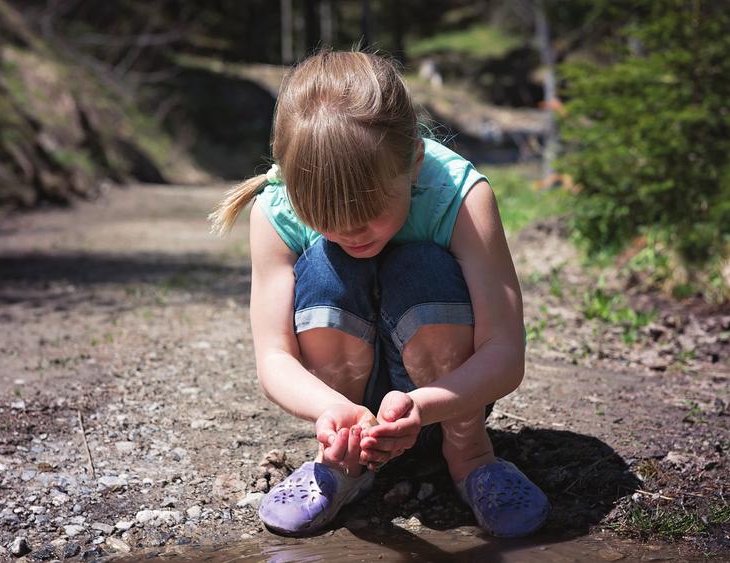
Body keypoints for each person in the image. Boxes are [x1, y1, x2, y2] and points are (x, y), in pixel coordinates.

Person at [209, 49, 549, 538]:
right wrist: (332, 412)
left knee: (421, 267)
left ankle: (470, 454)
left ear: (412, 162)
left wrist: (426, 407)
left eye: (368, 208)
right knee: (327, 265)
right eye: (322, 215)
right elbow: (274, 358)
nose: (350, 228)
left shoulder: (459, 196)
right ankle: (344, 462)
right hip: (346, 409)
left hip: (446, 402)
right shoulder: (275, 210)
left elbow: (505, 352)